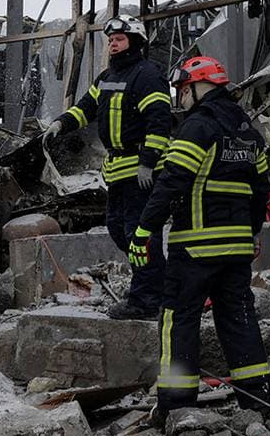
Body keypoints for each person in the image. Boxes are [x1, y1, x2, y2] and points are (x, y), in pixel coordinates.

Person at [128, 56, 270, 418]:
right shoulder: (247, 131)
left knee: (178, 319)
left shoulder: (197, 127)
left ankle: (176, 406)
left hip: (195, 246)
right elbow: (261, 191)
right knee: (238, 318)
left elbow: (172, 182)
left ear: (199, 86)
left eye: (183, 89)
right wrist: (252, 233)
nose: (180, 97)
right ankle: (257, 402)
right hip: (237, 248)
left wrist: (144, 229)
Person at [43, 16, 173, 319]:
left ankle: (145, 301)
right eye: (111, 40)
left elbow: (159, 121)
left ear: (135, 42)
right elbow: (86, 108)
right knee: (118, 229)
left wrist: (149, 163)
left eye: (119, 39)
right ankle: (155, 283)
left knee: (139, 235)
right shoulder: (106, 77)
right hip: (117, 169)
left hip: (141, 170)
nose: (113, 44)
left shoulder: (148, 75)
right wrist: (61, 124)